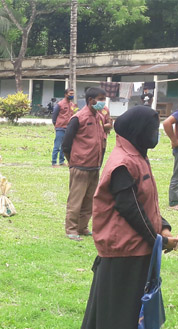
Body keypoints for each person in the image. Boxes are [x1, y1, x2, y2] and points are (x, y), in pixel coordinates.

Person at [70, 105, 178, 329]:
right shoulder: (123, 163)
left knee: (130, 309)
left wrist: (164, 227)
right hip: (124, 251)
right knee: (122, 312)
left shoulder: (137, 157)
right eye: (151, 126)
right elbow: (129, 210)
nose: (155, 132)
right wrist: (159, 240)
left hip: (137, 249)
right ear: (137, 131)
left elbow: (148, 202)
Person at [62, 87, 109, 241]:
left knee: (89, 200)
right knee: (76, 200)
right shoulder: (78, 118)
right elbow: (66, 144)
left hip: (94, 166)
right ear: (90, 100)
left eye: (104, 99)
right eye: (100, 99)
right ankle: (71, 229)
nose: (103, 102)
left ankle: (83, 227)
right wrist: (73, 162)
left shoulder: (99, 117)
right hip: (80, 166)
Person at [51, 88, 78, 167]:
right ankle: (54, 162)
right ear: (66, 94)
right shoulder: (60, 104)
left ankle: (62, 161)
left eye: (73, 94)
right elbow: (54, 116)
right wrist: (56, 125)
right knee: (57, 145)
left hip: (68, 128)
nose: (72, 95)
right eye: (70, 94)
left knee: (64, 145)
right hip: (60, 127)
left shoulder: (72, 105)